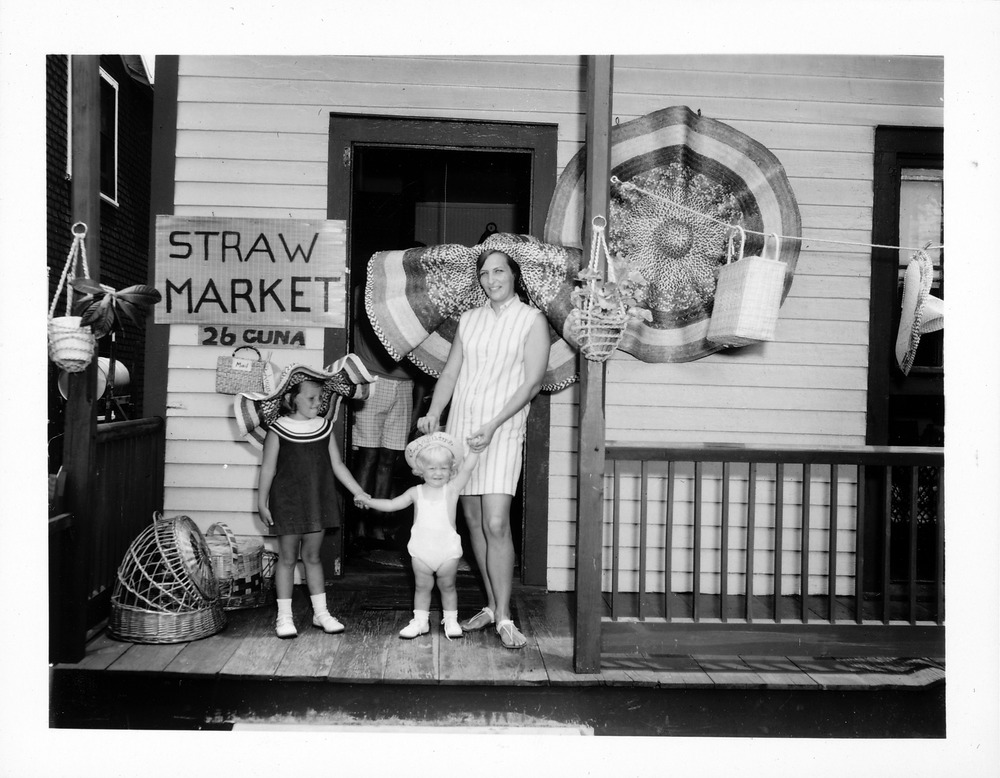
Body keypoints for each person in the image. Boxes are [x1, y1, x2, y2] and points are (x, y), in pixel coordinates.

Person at [417, 248, 549, 649]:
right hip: (462, 428)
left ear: (514, 275)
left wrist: (493, 425)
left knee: (495, 522)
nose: (492, 279)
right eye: (486, 273)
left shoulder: (532, 320)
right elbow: (452, 371)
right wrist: (435, 414)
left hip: (502, 428)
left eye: (500, 271)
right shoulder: (469, 320)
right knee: (472, 520)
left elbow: (531, 384)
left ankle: (506, 616)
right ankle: (492, 606)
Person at [257, 370, 372, 639]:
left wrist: (358, 491)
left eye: (320, 398)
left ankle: (322, 614)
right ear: (290, 398)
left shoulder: (324, 427)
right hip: (286, 503)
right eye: (310, 398)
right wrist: (262, 503)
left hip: (317, 500)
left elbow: (337, 465)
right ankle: (284, 617)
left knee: (312, 557)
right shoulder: (278, 430)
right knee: (286, 558)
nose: (316, 403)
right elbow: (267, 470)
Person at [359, 432, 480, 639]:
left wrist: (475, 452)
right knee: (422, 587)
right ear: (420, 470)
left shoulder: (451, 489)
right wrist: (369, 501)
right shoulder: (415, 492)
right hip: (421, 550)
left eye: (444, 468)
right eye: (432, 468)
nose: (438, 473)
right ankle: (420, 621)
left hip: (447, 550)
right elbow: (391, 504)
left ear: (451, 470)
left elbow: (467, 469)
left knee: (448, 586)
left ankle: (451, 621)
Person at [349, 284, 422, 549]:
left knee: (388, 459)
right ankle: (357, 524)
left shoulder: (415, 301)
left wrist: (416, 404)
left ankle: (377, 525)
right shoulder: (367, 293)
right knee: (368, 455)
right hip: (372, 380)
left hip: (404, 385)